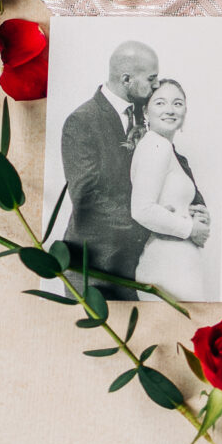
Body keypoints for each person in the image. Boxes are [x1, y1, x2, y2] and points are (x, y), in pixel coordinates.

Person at [61, 41, 169, 300]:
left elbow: (169, 163)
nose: (157, 86)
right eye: (152, 79)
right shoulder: (82, 121)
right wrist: (155, 221)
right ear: (126, 79)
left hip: (135, 261)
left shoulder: (148, 112)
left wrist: (192, 205)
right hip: (95, 265)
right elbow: (87, 199)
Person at [130, 79, 210, 302]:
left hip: (178, 262)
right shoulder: (157, 146)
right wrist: (190, 228)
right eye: (160, 103)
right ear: (145, 111)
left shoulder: (164, 147)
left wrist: (198, 215)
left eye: (177, 103)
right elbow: (142, 210)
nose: (170, 110)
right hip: (168, 264)